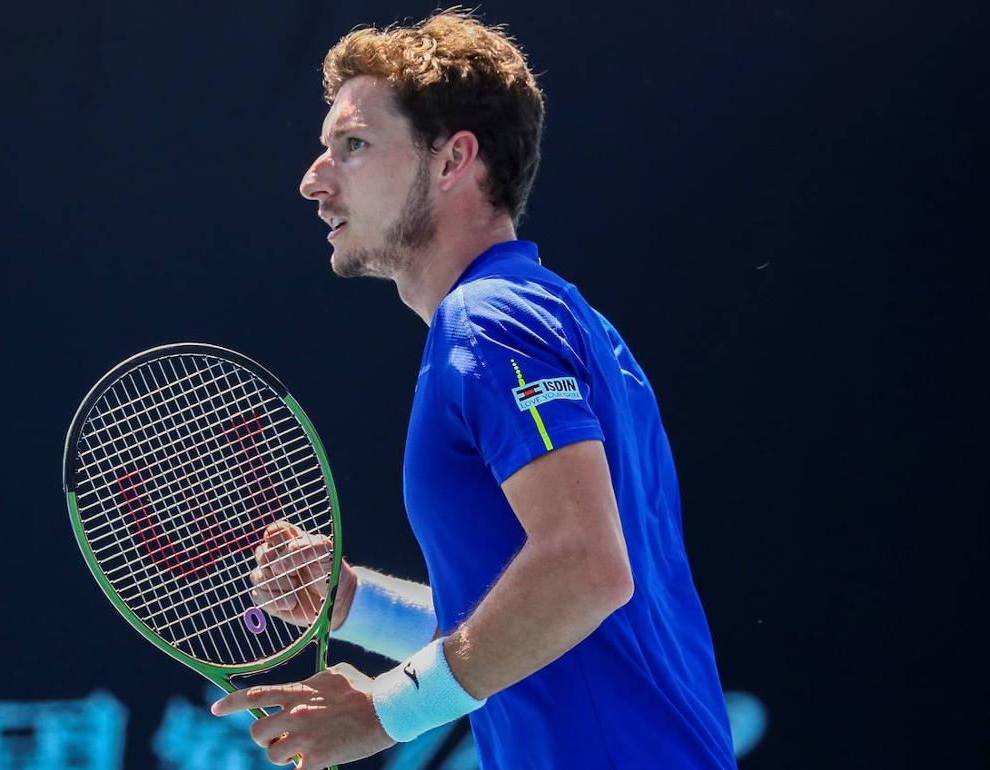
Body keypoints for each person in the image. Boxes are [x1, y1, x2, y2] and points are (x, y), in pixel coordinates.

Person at [211, 9, 737, 770]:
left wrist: (384, 711)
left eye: (353, 146)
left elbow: (586, 570)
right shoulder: (560, 317)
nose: (313, 180)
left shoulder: (487, 321)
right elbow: (534, 629)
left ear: (454, 159)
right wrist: (356, 601)